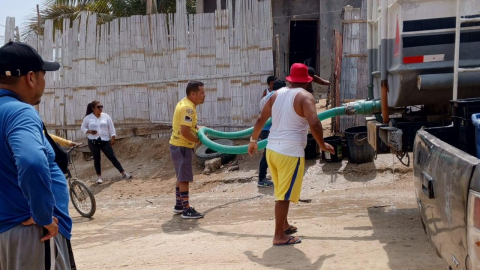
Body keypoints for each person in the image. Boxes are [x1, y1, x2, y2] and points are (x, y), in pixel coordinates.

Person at [0, 41, 76, 269]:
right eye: (44, 75)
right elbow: (31, 162)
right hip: (31, 233)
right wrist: (43, 216)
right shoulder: (19, 112)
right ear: (31, 78)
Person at [248, 63, 335, 246]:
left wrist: (253, 141)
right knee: (283, 196)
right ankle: (279, 236)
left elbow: (260, 119)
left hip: (272, 150)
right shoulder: (305, 96)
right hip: (290, 153)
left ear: (290, 79)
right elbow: (315, 123)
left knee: (281, 190)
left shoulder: (276, 95)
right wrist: (322, 144)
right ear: (308, 81)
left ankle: (284, 224)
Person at [170, 81, 206, 219]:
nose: (204, 95)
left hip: (176, 145)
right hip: (182, 146)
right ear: (193, 94)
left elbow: (187, 126)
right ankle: (186, 210)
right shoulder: (188, 109)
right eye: (202, 93)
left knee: (180, 176)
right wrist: (199, 140)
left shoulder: (184, 103)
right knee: (184, 178)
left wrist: (198, 129)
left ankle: (179, 205)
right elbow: (185, 132)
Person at [81, 100, 131, 184]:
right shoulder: (88, 118)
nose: (100, 108)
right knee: (97, 159)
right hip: (93, 141)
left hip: (104, 140)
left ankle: (123, 173)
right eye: (98, 107)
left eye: (101, 106)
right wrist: (89, 131)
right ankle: (99, 177)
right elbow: (82, 127)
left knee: (112, 157)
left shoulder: (106, 116)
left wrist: (113, 137)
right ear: (93, 108)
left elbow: (111, 127)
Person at [257, 80, 286, 187]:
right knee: (269, 154)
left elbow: (261, 115)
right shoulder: (279, 97)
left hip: (265, 129)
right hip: (272, 129)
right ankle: (262, 179)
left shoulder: (264, 98)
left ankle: (268, 176)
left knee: (270, 153)